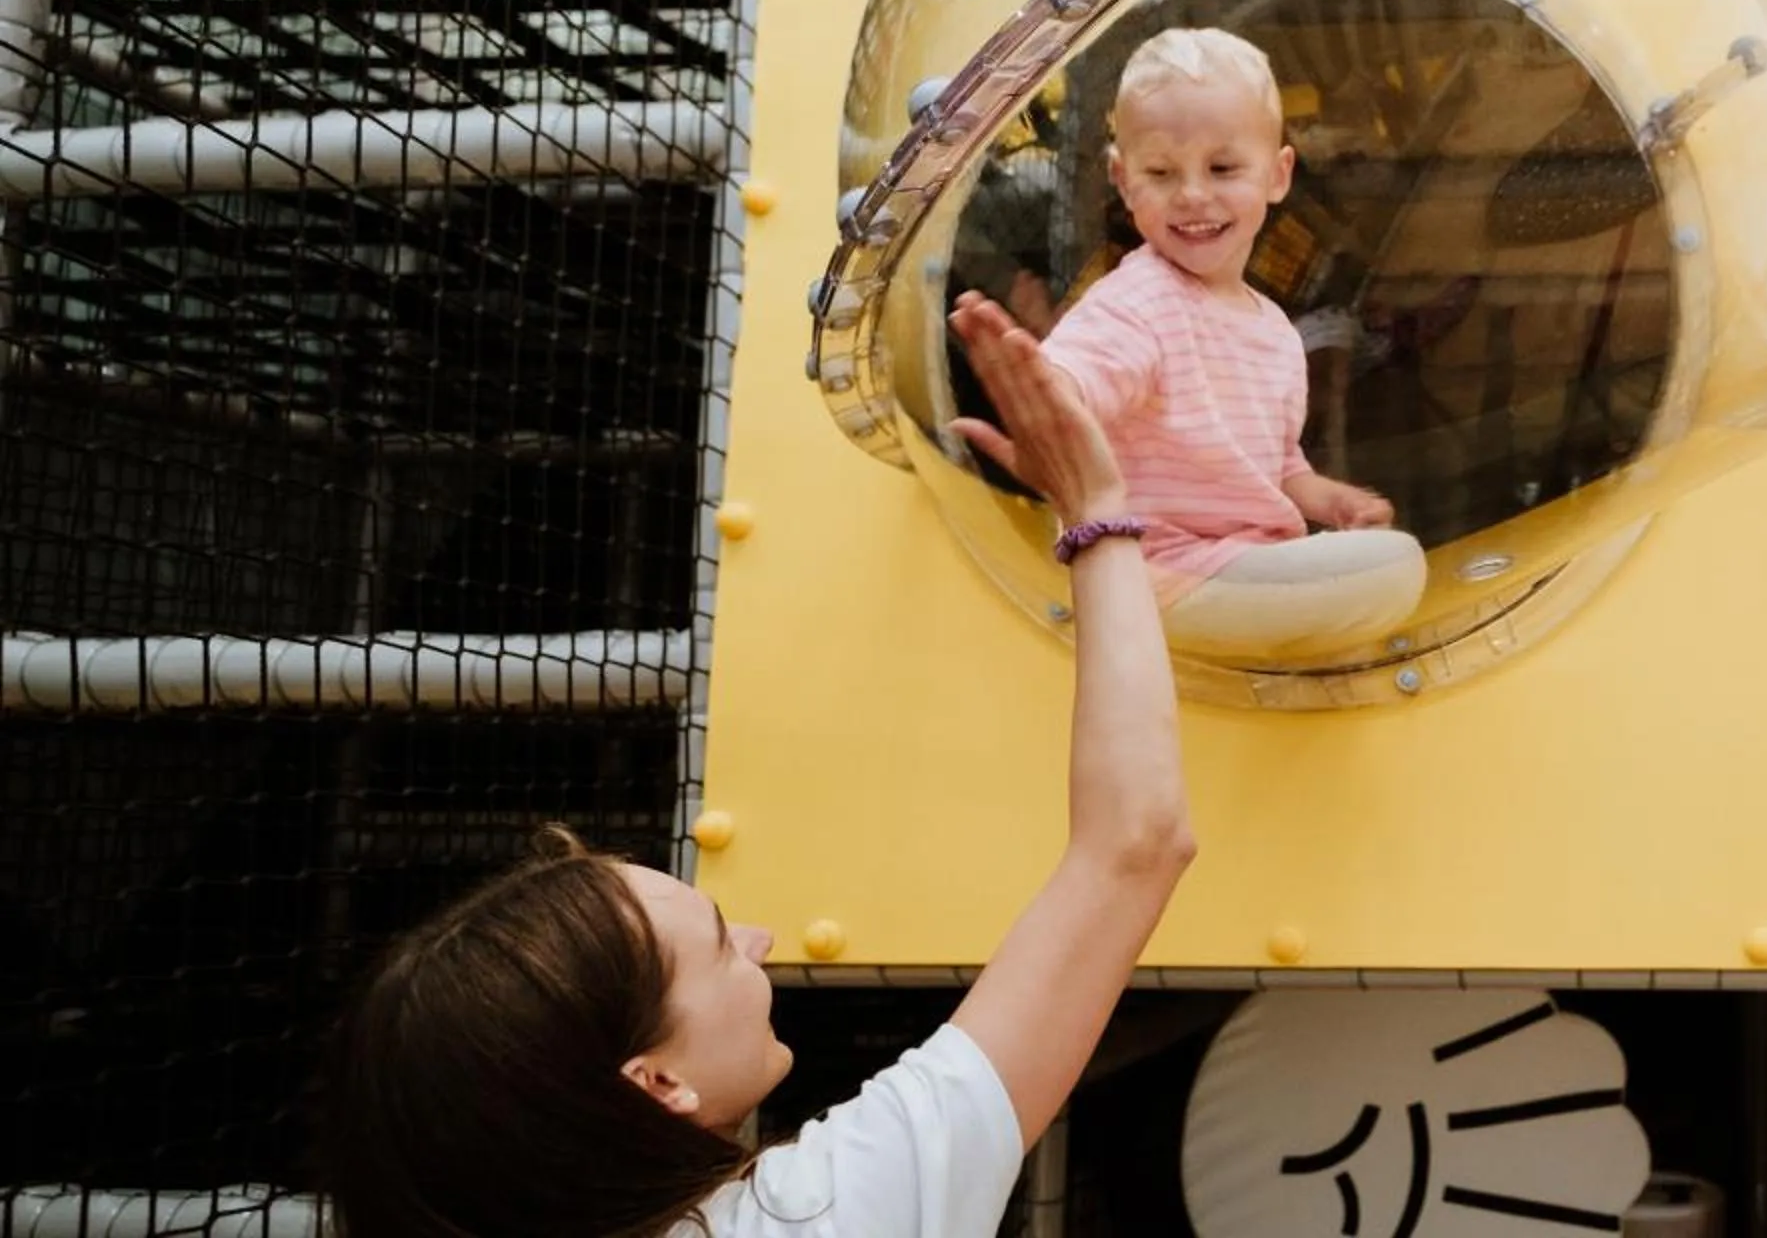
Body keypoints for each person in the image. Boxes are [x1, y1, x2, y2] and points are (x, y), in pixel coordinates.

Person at [318, 297, 1193, 1238]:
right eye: (722, 944)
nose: (764, 941)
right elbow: (1135, 840)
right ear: (657, 1084)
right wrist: (1097, 511)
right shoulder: (823, 1213)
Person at [999, 26, 1425, 658]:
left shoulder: (1275, 332)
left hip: (1241, 564)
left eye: (1223, 168)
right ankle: (1157, 604)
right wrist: (1045, 392)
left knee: (1371, 565)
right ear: (1122, 179)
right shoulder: (1138, 301)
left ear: (1278, 174)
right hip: (1158, 569)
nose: (1194, 195)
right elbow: (1080, 378)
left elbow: (1279, 469)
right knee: (1396, 569)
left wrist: (1330, 499)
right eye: (1161, 172)